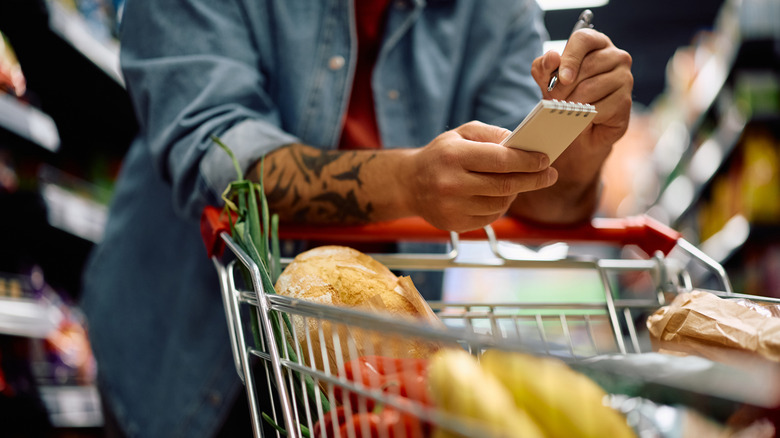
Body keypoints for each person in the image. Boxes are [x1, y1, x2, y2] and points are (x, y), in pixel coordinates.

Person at [80, 0, 633, 436]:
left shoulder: (491, 11)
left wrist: (579, 144)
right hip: (187, 351)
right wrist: (409, 183)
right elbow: (219, 157)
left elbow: (544, 202)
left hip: (379, 378)